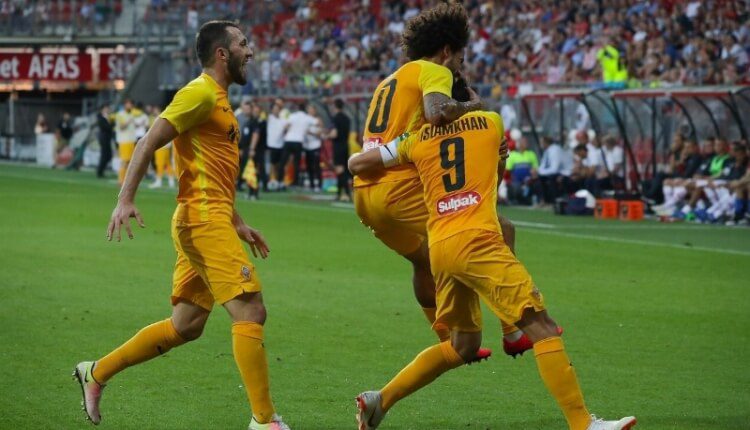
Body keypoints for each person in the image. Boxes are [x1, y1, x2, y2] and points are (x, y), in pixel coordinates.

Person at [348, 83, 636, 430]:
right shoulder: (490, 122)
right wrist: (477, 112)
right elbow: (495, 181)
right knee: (542, 326)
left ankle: (381, 400)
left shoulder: (416, 138)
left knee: (462, 345)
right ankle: (582, 423)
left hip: (441, 245)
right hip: (478, 240)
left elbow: (358, 163)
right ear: (465, 99)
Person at [73, 21, 290, 430]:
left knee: (186, 325)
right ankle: (265, 421)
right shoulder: (199, 92)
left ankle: (96, 372)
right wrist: (125, 199)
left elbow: (212, 173)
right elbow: (148, 141)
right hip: (202, 221)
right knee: (250, 310)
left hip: (209, 217)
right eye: (243, 44)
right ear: (222, 54)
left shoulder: (219, 100)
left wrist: (238, 221)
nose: (250, 51)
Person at [352, 2, 528, 359]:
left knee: (423, 260)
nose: (459, 67)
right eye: (460, 58)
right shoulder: (435, 70)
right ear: (447, 50)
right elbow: (438, 113)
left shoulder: (390, 81)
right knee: (500, 229)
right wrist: (474, 108)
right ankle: (512, 330)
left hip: (366, 194)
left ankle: (445, 337)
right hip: (400, 188)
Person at [278, 102, 315, 189]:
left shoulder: (293, 116)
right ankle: (295, 183)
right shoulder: (307, 117)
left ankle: (280, 181)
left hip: (289, 140)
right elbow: (318, 122)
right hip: (298, 142)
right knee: (296, 163)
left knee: (283, 162)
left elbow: (286, 126)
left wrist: (286, 132)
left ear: (298, 108)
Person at [328, 98, 352, 201]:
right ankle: (339, 194)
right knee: (343, 170)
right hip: (345, 145)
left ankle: (346, 193)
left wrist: (326, 136)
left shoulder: (335, 118)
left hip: (338, 146)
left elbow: (334, 134)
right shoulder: (347, 118)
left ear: (335, 106)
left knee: (339, 170)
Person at [148, 105, 175, 188]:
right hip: (166, 144)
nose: (154, 111)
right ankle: (171, 181)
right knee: (167, 163)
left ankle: (159, 180)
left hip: (161, 144)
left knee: (159, 163)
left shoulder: (160, 119)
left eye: (155, 109)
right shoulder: (165, 118)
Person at [266, 102, 287, 190]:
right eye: (274, 109)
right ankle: (270, 180)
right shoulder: (269, 118)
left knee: (279, 165)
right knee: (272, 164)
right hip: (271, 145)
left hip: (281, 145)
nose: (276, 111)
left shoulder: (283, 120)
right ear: (272, 110)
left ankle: (279, 181)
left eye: (277, 109)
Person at [115, 99, 136, 184]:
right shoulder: (120, 114)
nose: (130, 106)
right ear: (125, 105)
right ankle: (120, 180)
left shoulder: (131, 114)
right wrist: (129, 121)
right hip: (124, 141)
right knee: (124, 161)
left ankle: (125, 180)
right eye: (129, 104)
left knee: (129, 162)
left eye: (131, 104)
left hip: (131, 140)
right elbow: (121, 127)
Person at [303, 104, 324, 192]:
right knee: (309, 166)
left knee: (316, 166)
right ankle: (311, 185)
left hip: (315, 145)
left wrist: (311, 133)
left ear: (314, 111)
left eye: (312, 109)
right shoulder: (305, 120)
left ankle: (319, 185)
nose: (310, 111)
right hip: (307, 146)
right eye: (309, 109)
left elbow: (320, 133)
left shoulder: (317, 120)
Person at [250, 103, 269, 194]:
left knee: (260, 167)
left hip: (259, 148)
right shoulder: (254, 121)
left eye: (256, 111)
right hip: (257, 147)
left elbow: (256, 134)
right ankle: (257, 185)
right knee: (257, 167)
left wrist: (252, 148)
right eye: (254, 111)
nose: (255, 112)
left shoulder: (261, 122)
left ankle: (262, 185)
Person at [96, 105, 114, 178]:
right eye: (106, 109)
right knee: (105, 155)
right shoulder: (100, 118)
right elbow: (106, 127)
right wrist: (110, 123)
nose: (107, 110)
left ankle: (101, 170)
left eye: (108, 109)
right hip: (103, 138)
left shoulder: (109, 117)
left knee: (108, 155)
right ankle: (100, 171)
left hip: (108, 138)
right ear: (102, 110)